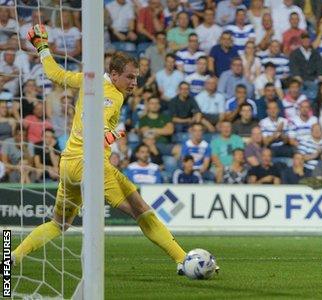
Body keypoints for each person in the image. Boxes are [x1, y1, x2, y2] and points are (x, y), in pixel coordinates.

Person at [12, 25, 189, 274]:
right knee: (141, 210)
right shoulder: (112, 96)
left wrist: (42, 47)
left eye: (136, 77)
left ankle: (12, 257)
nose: (134, 82)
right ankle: (184, 260)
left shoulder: (88, 79)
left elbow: (55, 74)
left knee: (59, 223)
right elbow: (96, 124)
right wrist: (110, 135)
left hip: (68, 165)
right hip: (90, 166)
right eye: (129, 77)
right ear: (114, 74)